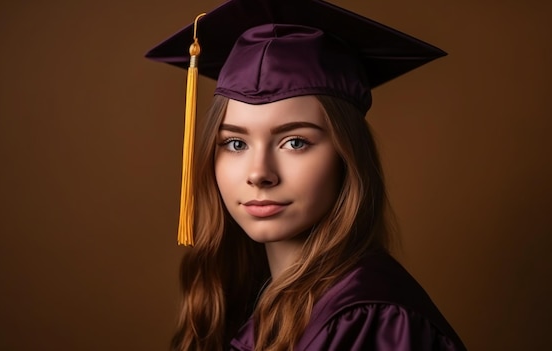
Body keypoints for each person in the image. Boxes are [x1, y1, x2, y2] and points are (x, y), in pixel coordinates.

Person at [146, 0, 467, 350]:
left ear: (348, 156)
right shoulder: (240, 301)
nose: (259, 173)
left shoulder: (369, 321)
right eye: (236, 143)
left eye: (295, 142)